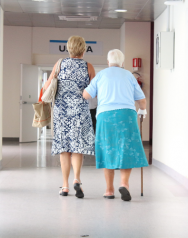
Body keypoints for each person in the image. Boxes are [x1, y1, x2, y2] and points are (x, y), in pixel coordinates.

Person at [83, 49, 148, 201]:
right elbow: (142, 100)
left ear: (108, 62)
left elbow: (86, 95)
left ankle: (109, 190)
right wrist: (142, 110)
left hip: (105, 117)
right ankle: (124, 184)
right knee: (126, 149)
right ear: (122, 63)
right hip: (127, 115)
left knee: (107, 150)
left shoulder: (101, 75)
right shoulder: (129, 76)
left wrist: (98, 91)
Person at [42, 36, 96, 198]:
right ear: (83, 49)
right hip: (80, 112)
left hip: (61, 112)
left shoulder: (60, 64)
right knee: (77, 148)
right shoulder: (88, 67)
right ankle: (77, 180)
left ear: (68, 49)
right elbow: (93, 92)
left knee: (64, 148)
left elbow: (47, 86)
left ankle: (65, 186)